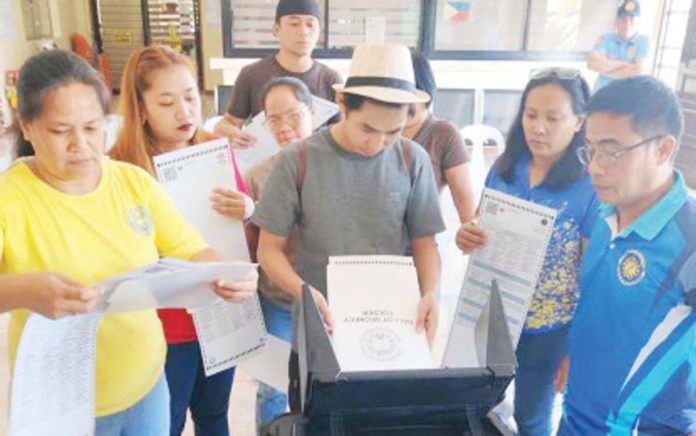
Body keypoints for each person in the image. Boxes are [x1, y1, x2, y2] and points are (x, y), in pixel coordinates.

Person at [0, 50, 256, 435]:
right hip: (62, 403)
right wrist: (22, 291)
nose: (81, 145)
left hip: (146, 383)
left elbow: (188, 248)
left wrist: (229, 272)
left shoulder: (132, 182)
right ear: (28, 127)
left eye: (92, 127)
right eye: (60, 131)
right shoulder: (10, 198)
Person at [252, 44, 445, 411]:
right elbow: (268, 250)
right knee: (319, 414)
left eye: (393, 132)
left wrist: (432, 292)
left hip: (393, 321)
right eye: (367, 129)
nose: (378, 144)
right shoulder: (298, 160)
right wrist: (303, 292)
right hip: (320, 326)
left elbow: (425, 243)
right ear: (342, 103)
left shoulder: (412, 159)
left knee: (379, 415)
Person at [109, 45, 252, 436]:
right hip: (162, 325)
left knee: (214, 415)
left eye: (190, 97)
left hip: (219, 312)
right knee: (165, 423)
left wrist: (248, 208)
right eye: (167, 101)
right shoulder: (120, 169)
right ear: (141, 109)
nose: (185, 111)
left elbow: (239, 232)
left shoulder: (214, 153)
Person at [456, 69, 599, 436]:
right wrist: (466, 235)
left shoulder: (589, 187)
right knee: (474, 406)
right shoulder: (504, 169)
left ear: (579, 121)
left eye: (554, 118)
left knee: (531, 416)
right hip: (493, 315)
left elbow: (592, 274)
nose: (539, 128)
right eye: (531, 114)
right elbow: (479, 227)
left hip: (547, 330)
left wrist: (575, 348)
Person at [560, 76, 695, 434]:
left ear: (663, 149)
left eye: (611, 151)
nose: (595, 167)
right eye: (590, 150)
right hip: (573, 419)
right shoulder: (605, 215)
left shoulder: (690, 240)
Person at [243, 76, 314, 430]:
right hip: (276, 301)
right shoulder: (257, 176)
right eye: (274, 119)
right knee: (273, 387)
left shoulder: (334, 166)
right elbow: (249, 246)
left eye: (294, 115)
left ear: (312, 112)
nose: (285, 127)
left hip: (325, 302)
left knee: (321, 385)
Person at [213, 0, 342, 148]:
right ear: (276, 29)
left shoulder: (331, 79)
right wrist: (233, 134)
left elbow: (341, 134)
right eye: (294, 23)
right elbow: (226, 124)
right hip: (267, 165)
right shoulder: (252, 74)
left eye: (310, 24)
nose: (304, 31)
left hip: (314, 166)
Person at [402, 50, 476, 223]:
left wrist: (469, 234)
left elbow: (467, 207)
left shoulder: (444, 134)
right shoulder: (377, 129)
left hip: (419, 242)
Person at [587, 0, 650, 92]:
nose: (627, 24)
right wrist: (626, 66)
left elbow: (638, 71)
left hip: (627, 98)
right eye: (623, 19)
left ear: (639, 21)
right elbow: (592, 63)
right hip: (601, 94)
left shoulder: (644, 41)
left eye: (632, 19)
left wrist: (605, 68)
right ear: (616, 21)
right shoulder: (605, 38)